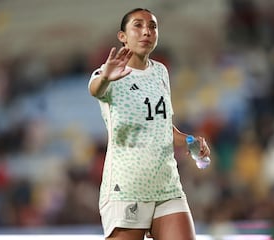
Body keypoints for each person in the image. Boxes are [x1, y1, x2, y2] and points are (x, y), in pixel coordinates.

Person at [88, 8, 211, 240]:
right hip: (126, 189)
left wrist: (189, 141)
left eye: (152, 26)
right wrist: (105, 76)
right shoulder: (110, 74)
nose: (146, 31)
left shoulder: (161, 72)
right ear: (122, 36)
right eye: (138, 25)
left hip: (167, 186)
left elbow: (162, 126)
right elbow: (95, 89)